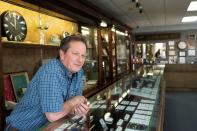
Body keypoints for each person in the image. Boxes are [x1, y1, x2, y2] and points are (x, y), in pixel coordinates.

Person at [5, 35, 89, 131]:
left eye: (83, 55)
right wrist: (76, 100)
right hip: (19, 128)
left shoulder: (78, 71)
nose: (80, 60)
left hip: (48, 127)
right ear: (62, 54)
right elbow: (53, 115)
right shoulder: (51, 71)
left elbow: (72, 107)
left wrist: (78, 109)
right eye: (75, 53)